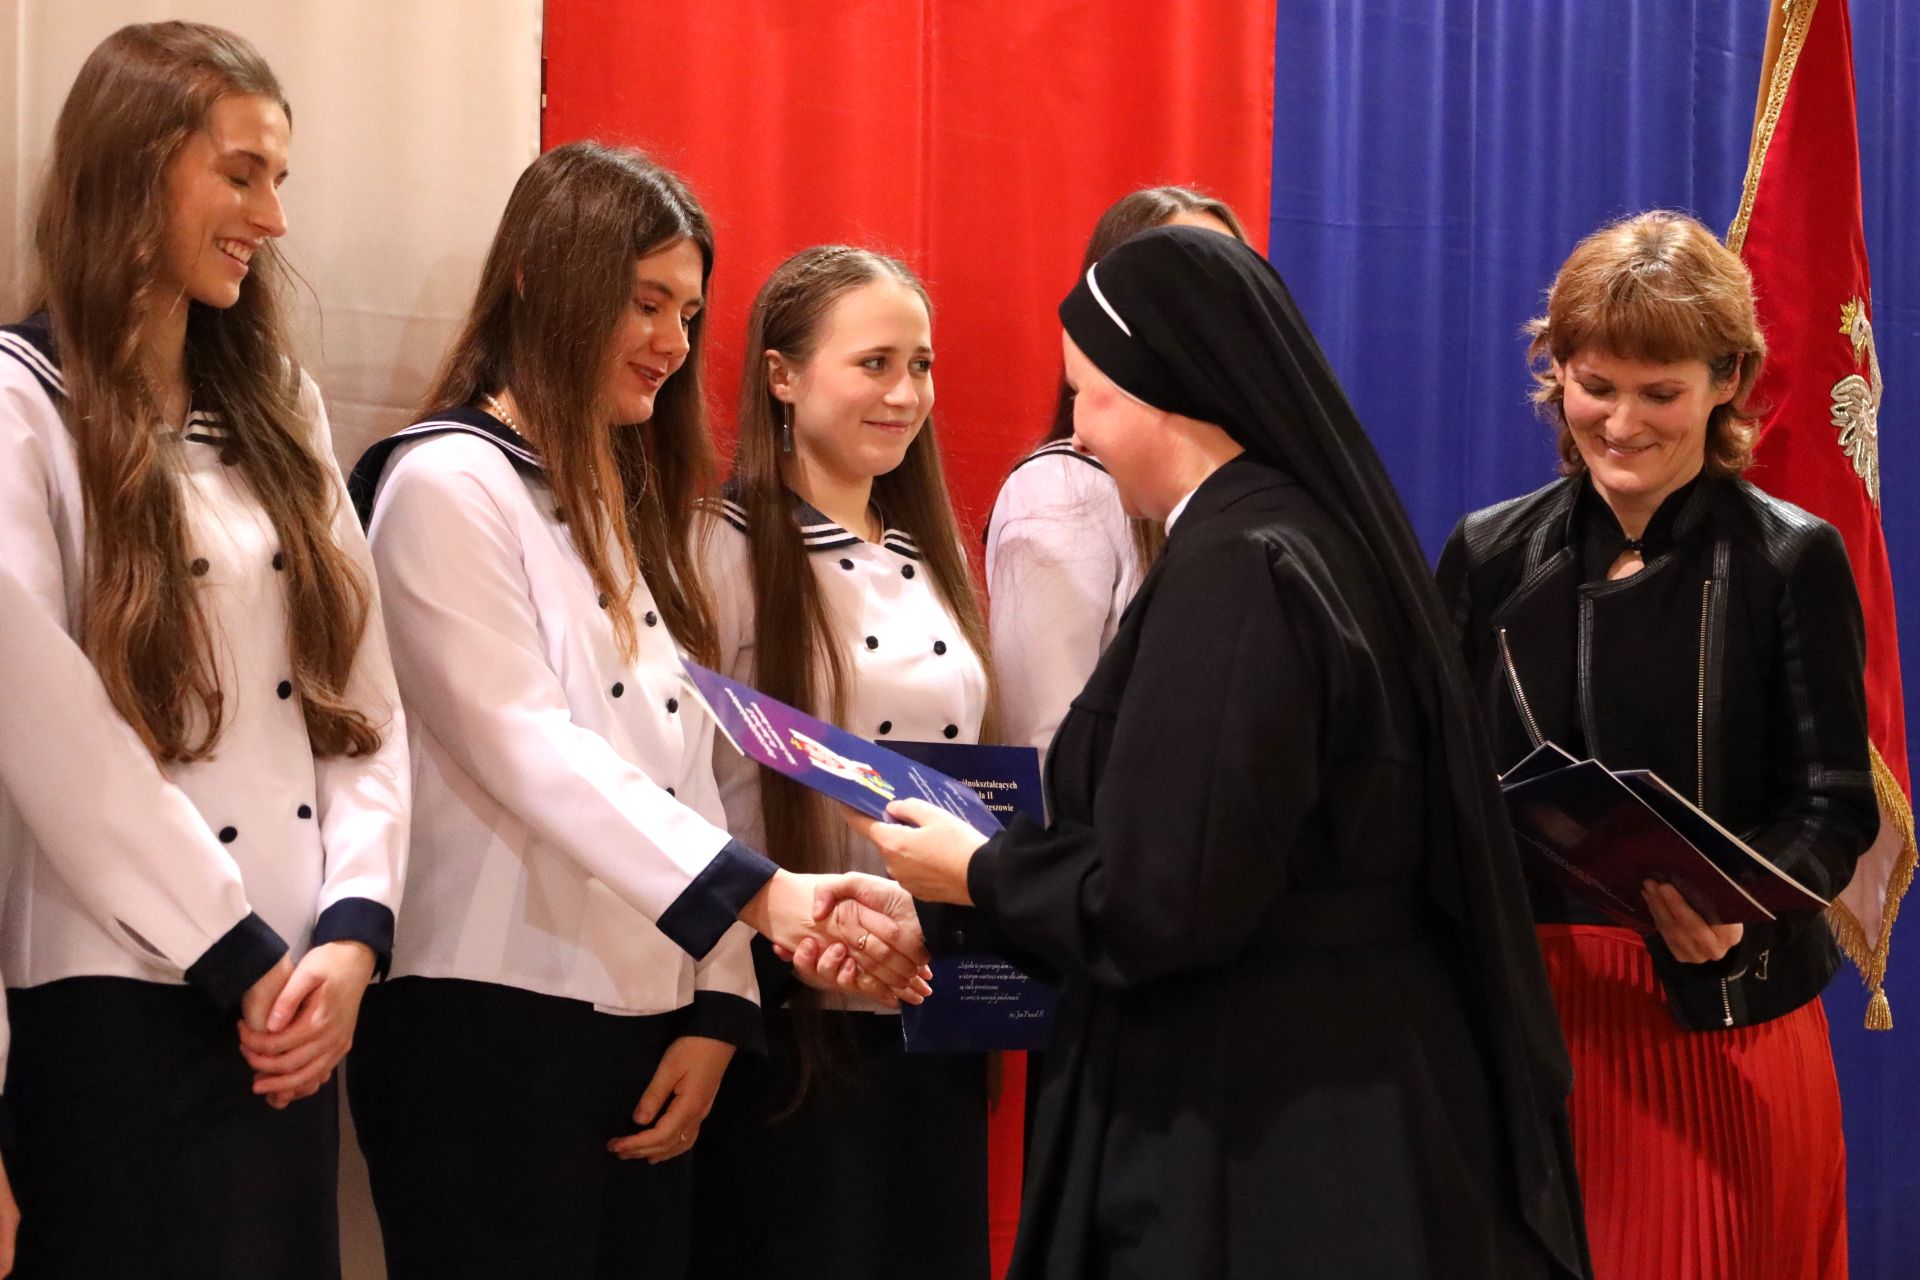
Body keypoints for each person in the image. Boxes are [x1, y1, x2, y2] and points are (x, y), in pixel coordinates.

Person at [845, 225, 1590, 1278]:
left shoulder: (1241, 568)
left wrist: (975, 870)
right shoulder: (1305, 536)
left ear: (1169, 393)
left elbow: (1169, 895)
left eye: (1091, 396)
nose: (1080, 434)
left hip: (1262, 1126)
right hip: (1347, 1089)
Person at [345, 147, 927, 1280]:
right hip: (488, 1020)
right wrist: (765, 894)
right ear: (540, 279)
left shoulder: (613, 496)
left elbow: (682, 755)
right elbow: (530, 746)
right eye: (645, 302)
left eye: (689, 311)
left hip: (639, 1017)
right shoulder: (446, 481)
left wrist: (713, 1006)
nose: (672, 340)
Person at [0, 22, 408, 1276]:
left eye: (278, 179)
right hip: (115, 1004)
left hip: (293, 1005)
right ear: (134, 167)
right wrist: (235, 952)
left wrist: (353, 930)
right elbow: (52, 735)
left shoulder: (282, 404)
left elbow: (360, 698)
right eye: (241, 175)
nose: (272, 218)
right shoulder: (21, 402)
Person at [1435, 210, 1875, 1280]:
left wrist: (1739, 905)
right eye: (1595, 385)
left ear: (1728, 380)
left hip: (1722, 1024)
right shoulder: (1486, 554)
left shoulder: (1791, 558)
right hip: (1529, 1024)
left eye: (1659, 392)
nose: (1620, 423)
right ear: (1557, 373)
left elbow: (1835, 805)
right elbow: (1438, 784)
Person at [688, 245, 996, 1278]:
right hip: (789, 1013)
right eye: (875, 363)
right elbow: (689, 786)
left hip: (932, 1004)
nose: (905, 394)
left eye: (921, 365)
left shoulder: (930, 557)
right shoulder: (720, 545)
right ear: (781, 375)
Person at [985, 186, 1248, 756]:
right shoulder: (1063, 490)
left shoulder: (1251, 483)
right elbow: (1046, 743)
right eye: (1189, 281)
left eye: (1235, 278)